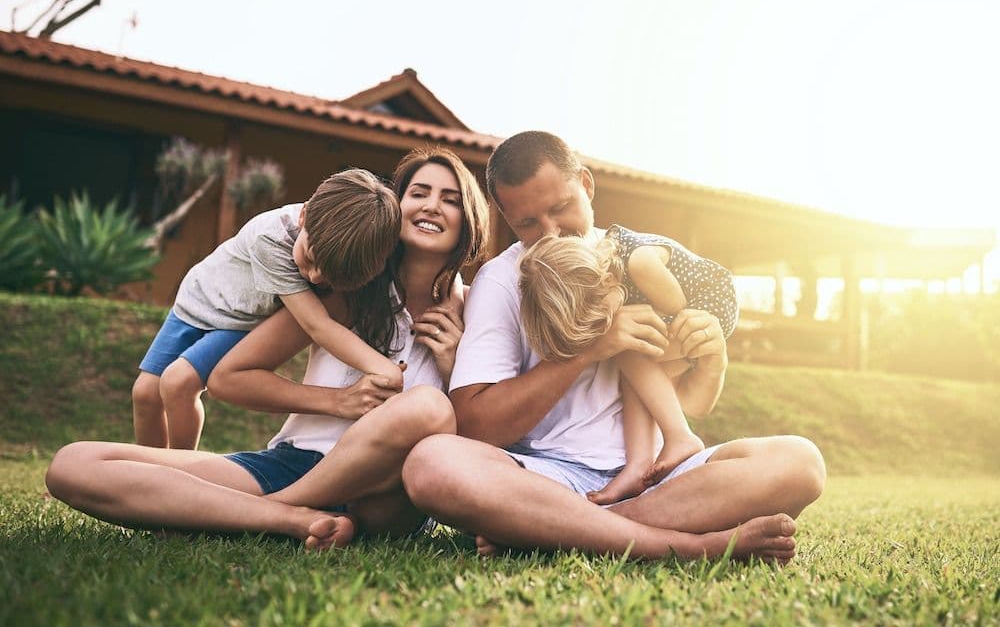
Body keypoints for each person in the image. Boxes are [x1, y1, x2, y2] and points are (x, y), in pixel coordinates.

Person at [402, 131, 826, 562]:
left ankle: (562, 528)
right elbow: (476, 426)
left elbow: (683, 401)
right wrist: (591, 348)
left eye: (559, 208)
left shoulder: (644, 262)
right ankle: (690, 545)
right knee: (431, 463)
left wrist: (712, 362)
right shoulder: (502, 279)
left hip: (663, 477)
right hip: (549, 476)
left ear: (586, 185)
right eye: (527, 223)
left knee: (800, 462)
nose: (549, 232)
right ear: (506, 217)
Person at [45, 147, 491, 548]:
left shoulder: (477, 311)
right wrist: (338, 402)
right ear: (395, 208)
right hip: (295, 462)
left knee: (427, 408)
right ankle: (288, 519)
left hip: (391, 494)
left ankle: (269, 509)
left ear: (470, 217)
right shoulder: (347, 290)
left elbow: (489, 440)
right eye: (419, 192)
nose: (432, 205)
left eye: (451, 199)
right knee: (74, 463)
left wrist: (454, 366)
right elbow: (228, 378)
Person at [132, 169, 404, 450]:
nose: (312, 277)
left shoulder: (338, 242)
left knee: (178, 383)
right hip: (197, 300)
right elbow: (317, 325)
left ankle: (175, 470)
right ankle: (143, 476)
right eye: (309, 259)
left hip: (237, 319)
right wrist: (385, 369)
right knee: (145, 394)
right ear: (304, 216)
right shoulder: (271, 239)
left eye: (327, 276)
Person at [518, 222, 738, 504]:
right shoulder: (612, 271)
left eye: (600, 317)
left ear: (607, 282)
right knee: (634, 369)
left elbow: (676, 307)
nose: (604, 328)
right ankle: (640, 464)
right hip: (691, 315)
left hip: (708, 304)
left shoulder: (639, 263)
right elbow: (695, 403)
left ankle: (679, 436)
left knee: (630, 351)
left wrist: (688, 346)